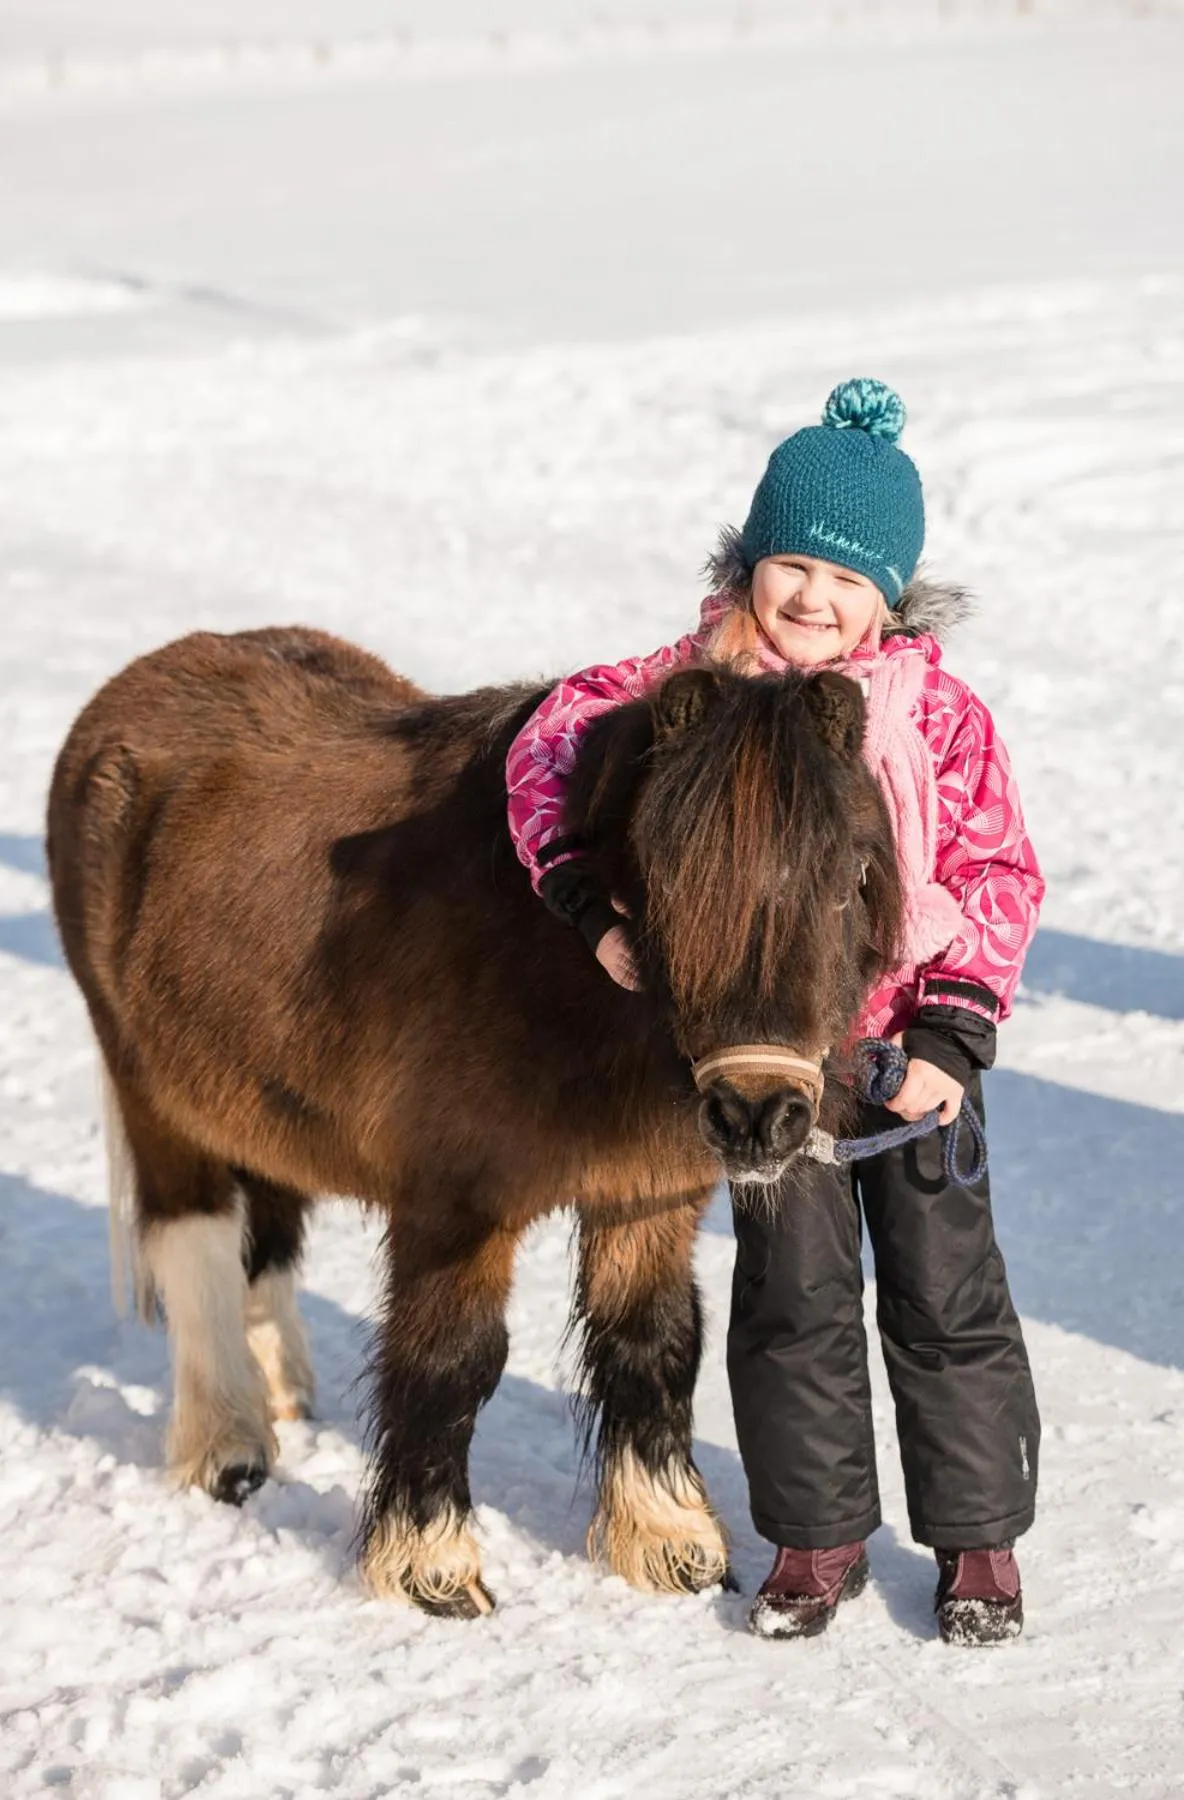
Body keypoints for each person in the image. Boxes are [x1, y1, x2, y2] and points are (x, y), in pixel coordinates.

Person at [504, 379, 1043, 1646]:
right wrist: (593, 910)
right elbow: (545, 743)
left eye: (846, 579)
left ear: (890, 595)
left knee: (947, 1302)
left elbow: (996, 874)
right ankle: (816, 1533)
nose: (813, 598)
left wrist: (953, 1035)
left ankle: (977, 1543)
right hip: (768, 1061)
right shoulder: (682, 686)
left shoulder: (939, 718)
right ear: (748, 562)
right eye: (789, 563)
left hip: (911, 1064)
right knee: (789, 1302)